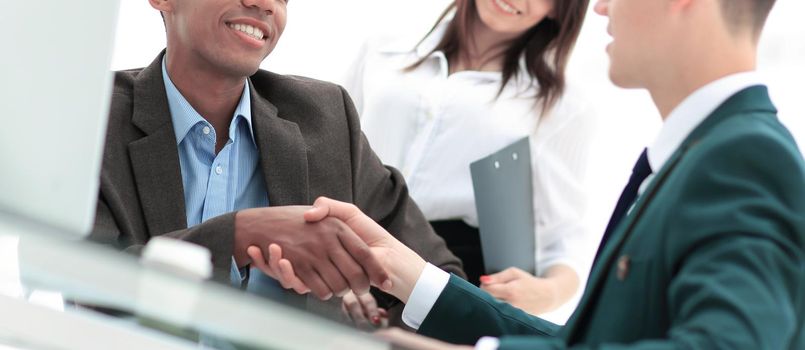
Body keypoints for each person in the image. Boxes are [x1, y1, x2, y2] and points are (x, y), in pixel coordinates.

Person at [264, 0, 805, 347]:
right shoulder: (704, 155)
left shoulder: (743, 159)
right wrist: (407, 272)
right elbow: (586, 342)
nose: (600, 9)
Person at [88, 0, 463, 324]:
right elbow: (84, 281)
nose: (266, 3)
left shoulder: (327, 120)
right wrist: (241, 233)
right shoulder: (92, 117)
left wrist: (371, 324)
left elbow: (439, 278)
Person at [340, 0, 597, 322]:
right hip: (350, 242)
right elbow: (333, 145)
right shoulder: (386, 47)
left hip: (449, 274)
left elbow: (564, 236)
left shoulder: (562, 104)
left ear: (562, 9)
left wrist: (546, 293)